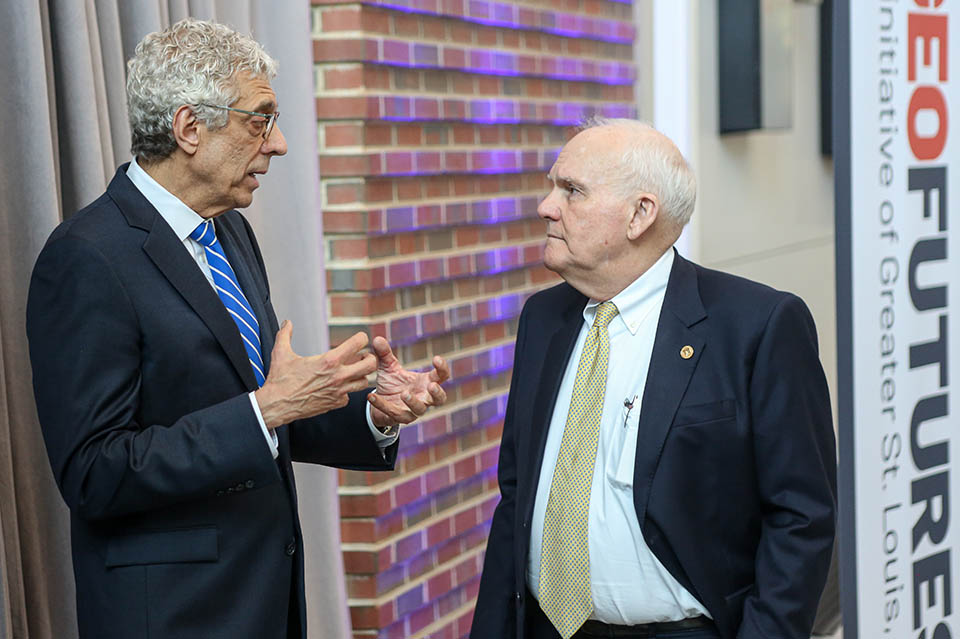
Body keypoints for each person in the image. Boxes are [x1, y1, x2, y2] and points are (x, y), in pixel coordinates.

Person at [26, 18, 449, 639]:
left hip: (264, 601)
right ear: (189, 128)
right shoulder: (87, 257)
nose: (277, 145)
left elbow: (260, 407)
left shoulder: (229, 230)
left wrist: (371, 415)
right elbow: (95, 472)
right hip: (172, 616)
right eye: (260, 121)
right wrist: (265, 410)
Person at [471, 119, 836, 639]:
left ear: (640, 214)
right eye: (552, 186)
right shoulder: (542, 319)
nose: (546, 206)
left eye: (571, 190)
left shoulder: (756, 326)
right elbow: (517, 497)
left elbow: (801, 516)